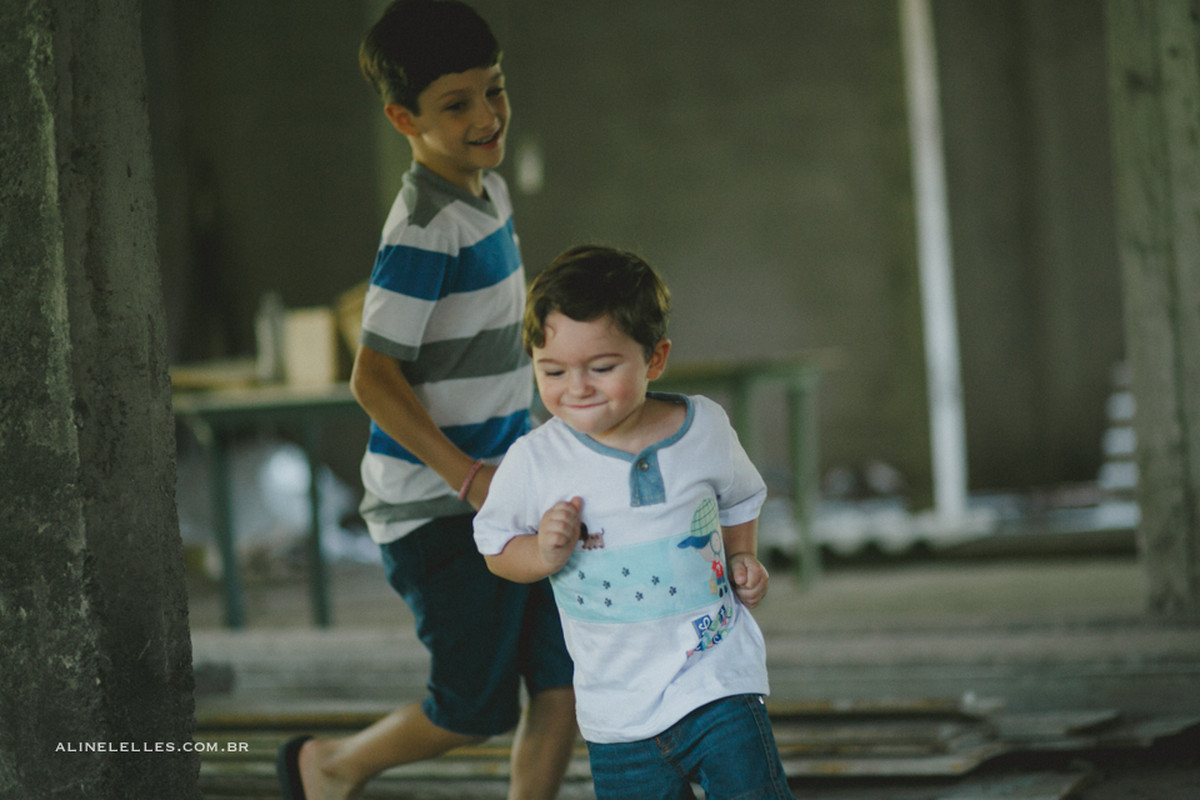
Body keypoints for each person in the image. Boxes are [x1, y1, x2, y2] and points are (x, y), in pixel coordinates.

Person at [275, 3, 576, 799]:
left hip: (507, 489)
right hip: (438, 513)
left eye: (495, 90)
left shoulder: (491, 193)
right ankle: (330, 766)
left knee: (564, 683)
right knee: (473, 708)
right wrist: (469, 479)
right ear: (402, 118)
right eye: (457, 104)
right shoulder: (422, 229)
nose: (487, 116)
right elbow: (372, 377)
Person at [473, 245, 795, 800]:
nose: (576, 387)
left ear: (655, 359)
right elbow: (496, 548)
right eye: (552, 370)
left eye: (601, 367)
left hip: (715, 680)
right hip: (614, 709)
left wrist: (742, 556)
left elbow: (741, 497)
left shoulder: (704, 430)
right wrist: (544, 555)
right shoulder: (535, 460)